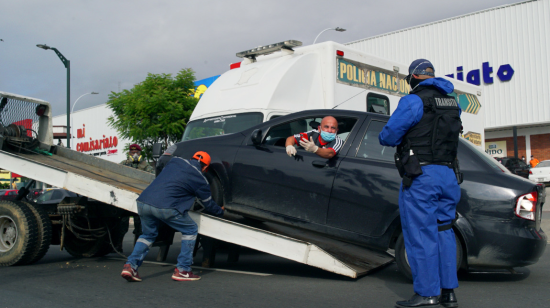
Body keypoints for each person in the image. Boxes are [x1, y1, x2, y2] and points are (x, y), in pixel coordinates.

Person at [379, 59, 462, 308]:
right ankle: (448, 293)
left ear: (413, 77)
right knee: (444, 231)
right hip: (449, 175)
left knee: (420, 234)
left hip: (422, 176)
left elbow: (388, 136)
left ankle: (427, 294)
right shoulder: (452, 103)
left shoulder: (414, 101)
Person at [121, 151, 224, 282]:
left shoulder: (175, 161)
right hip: (166, 207)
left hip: (144, 202)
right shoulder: (200, 178)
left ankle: (130, 266)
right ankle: (183, 270)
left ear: (192, 158)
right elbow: (208, 204)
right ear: (205, 168)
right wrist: (220, 211)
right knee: (190, 229)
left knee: (147, 235)